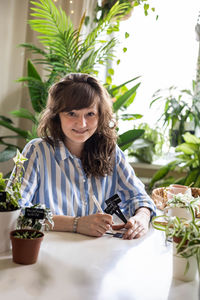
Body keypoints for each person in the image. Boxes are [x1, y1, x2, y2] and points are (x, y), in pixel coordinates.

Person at [18, 73, 156, 240]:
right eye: (71, 113)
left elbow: (140, 197)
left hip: (100, 258)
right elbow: (16, 210)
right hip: (48, 256)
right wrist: (75, 223)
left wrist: (141, 218)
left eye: (90, 114)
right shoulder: (37, 152)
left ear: (100, 116)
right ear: (57, 116)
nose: (82, 124)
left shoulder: (111, 152)